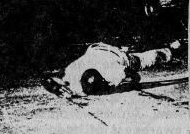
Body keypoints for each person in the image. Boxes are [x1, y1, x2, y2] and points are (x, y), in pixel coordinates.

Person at [44, 41, 182, 96]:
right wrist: (55, 88)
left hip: (117, 55)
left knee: (144, 60)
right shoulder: (73, 71)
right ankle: (171, 49)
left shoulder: (113, 72)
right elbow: (48, 79)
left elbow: (135, 78)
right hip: (97, 48)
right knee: (144, 58)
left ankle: (171, 50)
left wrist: (116, 85)